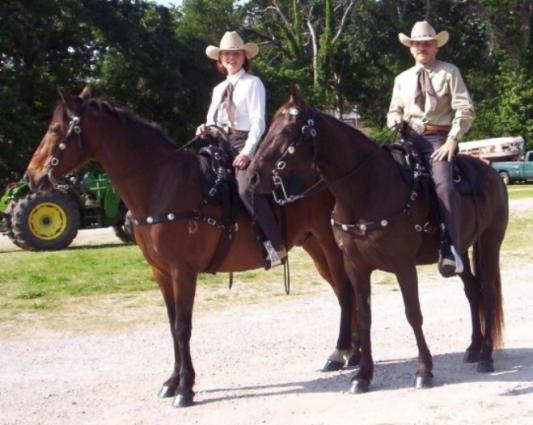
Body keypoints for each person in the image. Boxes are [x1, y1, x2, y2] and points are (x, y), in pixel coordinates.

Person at [387, 21, 475, 277]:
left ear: (435, 46)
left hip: (439, 139)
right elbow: (394, 110)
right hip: (408, 138)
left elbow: (465, 109)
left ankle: (453, 248)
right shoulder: (401, 79)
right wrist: (393, 119)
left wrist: (452, 140)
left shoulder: (449, 72)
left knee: (445, 186)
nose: (422, 47)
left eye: (427, 43)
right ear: (410, 48)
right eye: (417, 43)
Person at [197, 31, 286, 266]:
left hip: (245, 143)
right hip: (219, 145)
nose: (230, 58)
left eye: (235, 54)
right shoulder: (218, 90)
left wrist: (247, 152)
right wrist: (205, 128)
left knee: (246, 189)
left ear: (244, 57)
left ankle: (276, 244)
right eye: (226, 54)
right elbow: (212, 121)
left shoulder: (253, 83)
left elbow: (259, 122)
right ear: (220, 59)